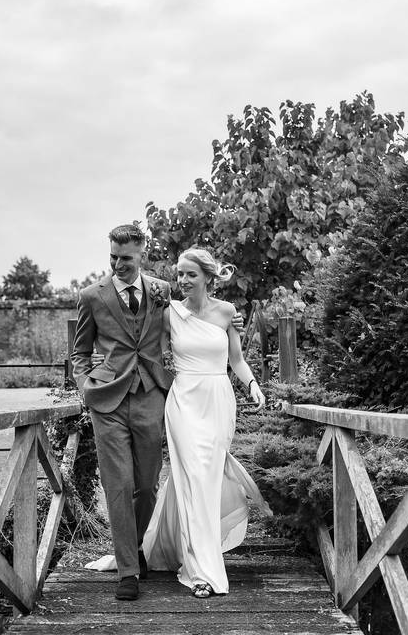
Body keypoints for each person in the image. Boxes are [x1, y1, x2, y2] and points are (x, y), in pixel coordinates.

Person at [85, 247, 270, 600]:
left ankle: (176, 548)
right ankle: (201, 570)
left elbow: (237, 360)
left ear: (208, 278)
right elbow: (135, 340)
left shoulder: (228, 312)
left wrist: (252, 384)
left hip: (217, 400)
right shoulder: (168, 313)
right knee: (194, 478)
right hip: (183, 400)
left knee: (207, 479)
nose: (182, 281)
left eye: (190, 275)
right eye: (179, 274)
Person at [71, 224, 174, 602]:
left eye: (125, 258)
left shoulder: (162, 290)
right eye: (112, 257)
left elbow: (186, 322)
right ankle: (128, 570)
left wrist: (229, 324)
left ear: (142, 253)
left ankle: (135, 546)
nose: (118, 264)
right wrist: (85, 387)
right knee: (117, 485)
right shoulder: (91, 296)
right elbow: (79, 353)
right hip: (107, 400)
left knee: (146, 485)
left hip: (150, 395)